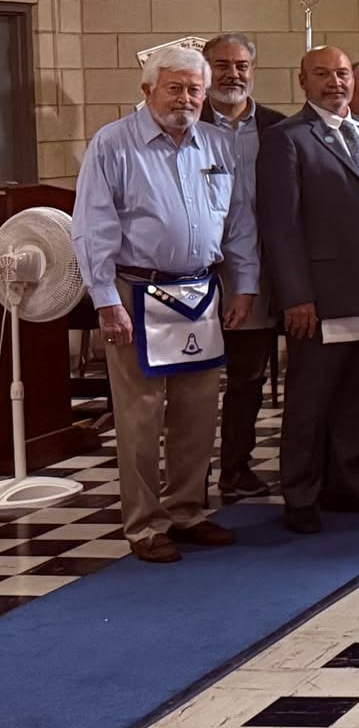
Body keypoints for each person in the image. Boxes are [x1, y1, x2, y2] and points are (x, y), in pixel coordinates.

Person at [72, 46, 257, 563]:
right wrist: (105, 301)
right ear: (148, 90)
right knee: (140, 417)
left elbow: (239, 223)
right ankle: (145, 525)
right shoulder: (113, 144)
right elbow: (93, 226)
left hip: (200, 294)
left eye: (195, 89)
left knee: (197, 413)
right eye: (175, 88)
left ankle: (187, 511)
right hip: (135, 294)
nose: (186, 99)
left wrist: (244, 285)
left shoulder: (216, 144)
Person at [256, 46, 359, 533]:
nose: (335, 82)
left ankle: (349, 486)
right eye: (322, 74)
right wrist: (296, 296)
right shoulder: (287, 138)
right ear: (302, 81)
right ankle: (301, 495)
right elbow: (279, 225)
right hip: (322, 297)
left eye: (342, 74)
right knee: (311, 402)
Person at [199, 32, 285, 502]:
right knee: (191, 381)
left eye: (241, 65)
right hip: (194, 272)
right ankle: (190, 477)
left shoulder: (278, 128)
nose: (233, 74)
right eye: (222, 65)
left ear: (253, 70)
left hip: (258, 275)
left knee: (248, 377)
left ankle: (235, 467)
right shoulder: (184, 123)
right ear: (205, 69)